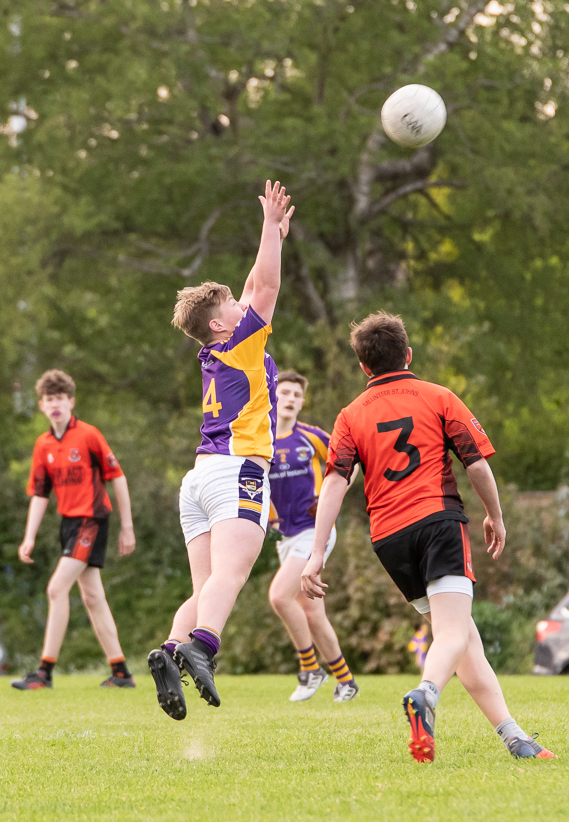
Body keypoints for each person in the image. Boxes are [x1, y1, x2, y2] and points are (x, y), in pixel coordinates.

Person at [301, 311, 555, 762]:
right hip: (438, 522)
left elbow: (335, 482)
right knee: (454, 633)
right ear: (409, 354)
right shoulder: (438, 397)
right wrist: (495, 515)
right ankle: (426, 694)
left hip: (389, 540)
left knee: (463, 639)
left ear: (364, 366)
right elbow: (475, 462)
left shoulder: (350, 415)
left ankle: (516, 738)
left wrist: (316, 552)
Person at [147, 180, 294, 719]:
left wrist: (275, 235)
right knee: (232, 575)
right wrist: (267, 228)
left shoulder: (219, 351)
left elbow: (255, 281)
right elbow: (268, 286)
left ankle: (169, 650)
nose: (242, 299)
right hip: (237, 471)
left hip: (199, 480)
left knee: (208, 583)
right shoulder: (239, 343)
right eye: (232, 302)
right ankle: (201, 647)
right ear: (218, 323)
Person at [13, 369, 136, 690]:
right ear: (41, 405)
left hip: (91, 521)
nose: (55, 405)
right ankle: (121, 671)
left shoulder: (88, 435)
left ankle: (44, 671)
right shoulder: (43, 445)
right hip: (69, 524)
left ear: (71, 401)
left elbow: (117, 477)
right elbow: (40, 494)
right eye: (48, 399)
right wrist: (28, 537)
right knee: (93, 596)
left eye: (60, 399)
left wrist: (128, 527)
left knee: (56, 589)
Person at [268, 370, 358, 702]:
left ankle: (310, 670)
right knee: (311, 612)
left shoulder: (312, 437)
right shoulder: (260, 439)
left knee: (279, 596)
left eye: (295, 394)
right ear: (271, 395)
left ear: (303, 402)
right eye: (284, 392)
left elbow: (351, 463)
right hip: (286, 536)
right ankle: (346, 681)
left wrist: (333, 497)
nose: (289, 398)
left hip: (314, 532)